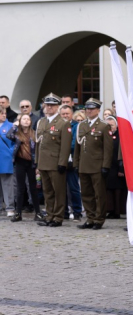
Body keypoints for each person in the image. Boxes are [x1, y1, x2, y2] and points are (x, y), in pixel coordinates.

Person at [74, 98, 113, 230]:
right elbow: (78, 147)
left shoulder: (104, 125)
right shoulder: (82, 125)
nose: (89, 111)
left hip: (97, 165)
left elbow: (108, 149)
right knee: (86, 193)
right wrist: (76, 163)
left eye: (92, 109)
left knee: (99, 194)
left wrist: (105, 166)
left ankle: (99, 219)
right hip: (84, 165)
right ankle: (90, 218)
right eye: (87, 109)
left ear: (98, 110)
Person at [35, 93, 71, 227]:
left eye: (52, 105)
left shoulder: (63, 123)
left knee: (58, 191)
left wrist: (62, 163)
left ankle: (58, 217)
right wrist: (37, 161)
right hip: (43, 162)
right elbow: (39, 143)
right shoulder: (42, 121)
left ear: (57, 107)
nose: (49, 107)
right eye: (47, 105)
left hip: (56, 163)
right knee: (47, 191)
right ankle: (49, 215)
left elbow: (65, 146)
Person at [7, 114, 42, 222]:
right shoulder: (17, 133)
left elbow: (38, 149)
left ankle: (38, 212)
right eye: (24, 119)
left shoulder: (34, 133)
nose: (26, 121)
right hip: (20, 162)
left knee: (33, 188)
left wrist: (37, 165)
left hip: (31, 163)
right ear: (20, 121)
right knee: (20, 188)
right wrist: (14, 126)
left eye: (28, 119)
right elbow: (8, 135)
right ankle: (18, 213)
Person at [59, 104, 83, 221]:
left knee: (73, 188)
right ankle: (64, 212)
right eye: (63, 114)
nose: (65, 116)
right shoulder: (58, 125)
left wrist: (62, 148)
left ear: (71, 114)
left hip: (71, 161)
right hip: (59, 161)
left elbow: (73, 143)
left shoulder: (76, 126)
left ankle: (77, 211)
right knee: (61, 188)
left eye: (67, 113)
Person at [104, 116, 127, 219]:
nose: (110, 127)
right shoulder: (105, 134)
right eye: (107, 126)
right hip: (108, 166)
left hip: (117, 166)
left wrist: (121, 168)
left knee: (118, 189)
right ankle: (110, 210)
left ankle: (118, 211)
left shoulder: (121, 135)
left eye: (111, 125)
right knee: (108, 189)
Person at [0, 107, 15, 216]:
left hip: (5, 158)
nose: (4, 115)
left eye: (4, 113)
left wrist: (11, 152)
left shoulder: (10, 126)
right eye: (1, 113)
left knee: (7, 184)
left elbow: (16, 142)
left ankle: (10, 207)